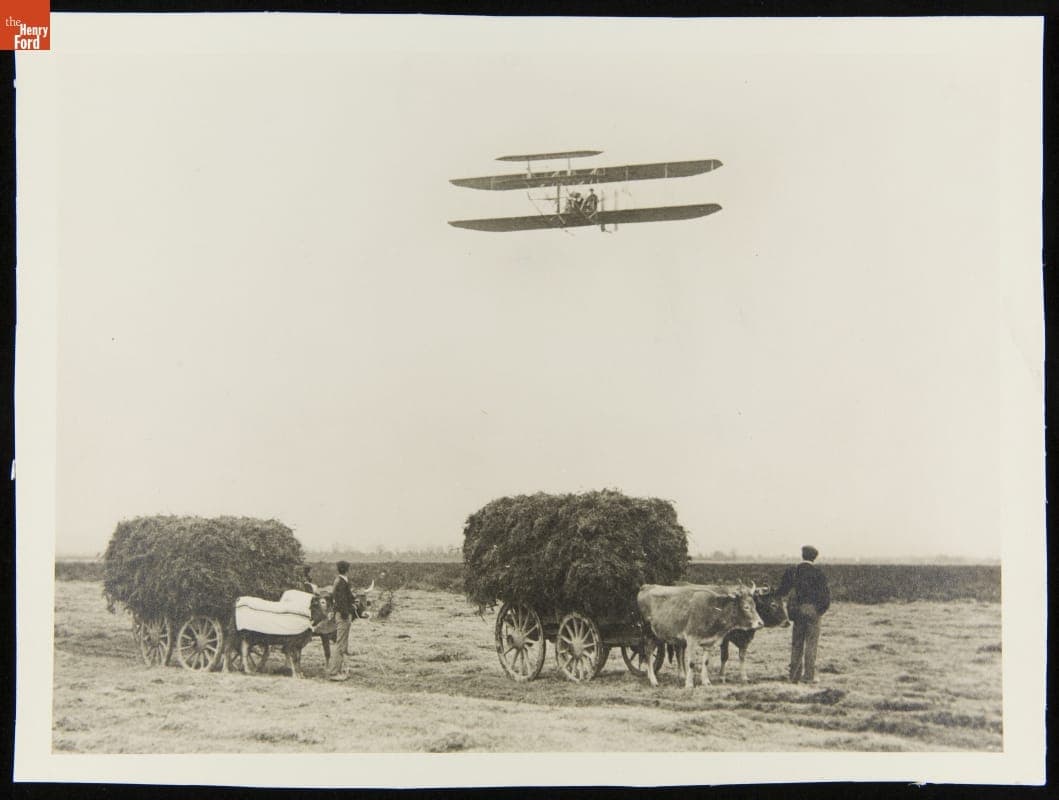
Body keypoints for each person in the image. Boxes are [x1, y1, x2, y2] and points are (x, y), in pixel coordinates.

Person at [776, 545, 831, 684]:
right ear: (815, 557)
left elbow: (781, 591)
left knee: (797, 644)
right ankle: (808, 677)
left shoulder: (792, 571)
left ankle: (793, 677)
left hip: (797, 611)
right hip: (813, 611)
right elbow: (826, 597)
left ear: (802, 555)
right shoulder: (819, 573)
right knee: (811, 644)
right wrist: (819, 610)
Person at [326, 560, 353, 681]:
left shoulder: (339, 581)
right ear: (347, 570)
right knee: (340, 643)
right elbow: (342, 600)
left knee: (342, 643)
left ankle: (339, 669)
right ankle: (333, 673)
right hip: (343, 616)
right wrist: (347, 613)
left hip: (341, 614)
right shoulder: (342, 582)